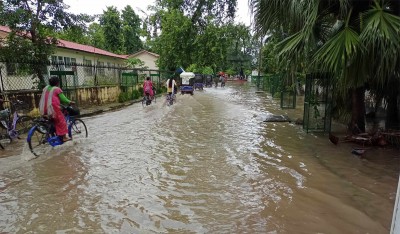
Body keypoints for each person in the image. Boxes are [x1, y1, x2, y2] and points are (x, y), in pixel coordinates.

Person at [39, 76, 75, 142]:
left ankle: (54, 134)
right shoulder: (56, 89)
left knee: (54, 120)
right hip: (53, 109)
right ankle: (64, 137)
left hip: (44, 109)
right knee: (62, 121)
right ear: (57, 83)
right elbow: (63, 99)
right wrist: (70, 102)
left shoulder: (46, 88)